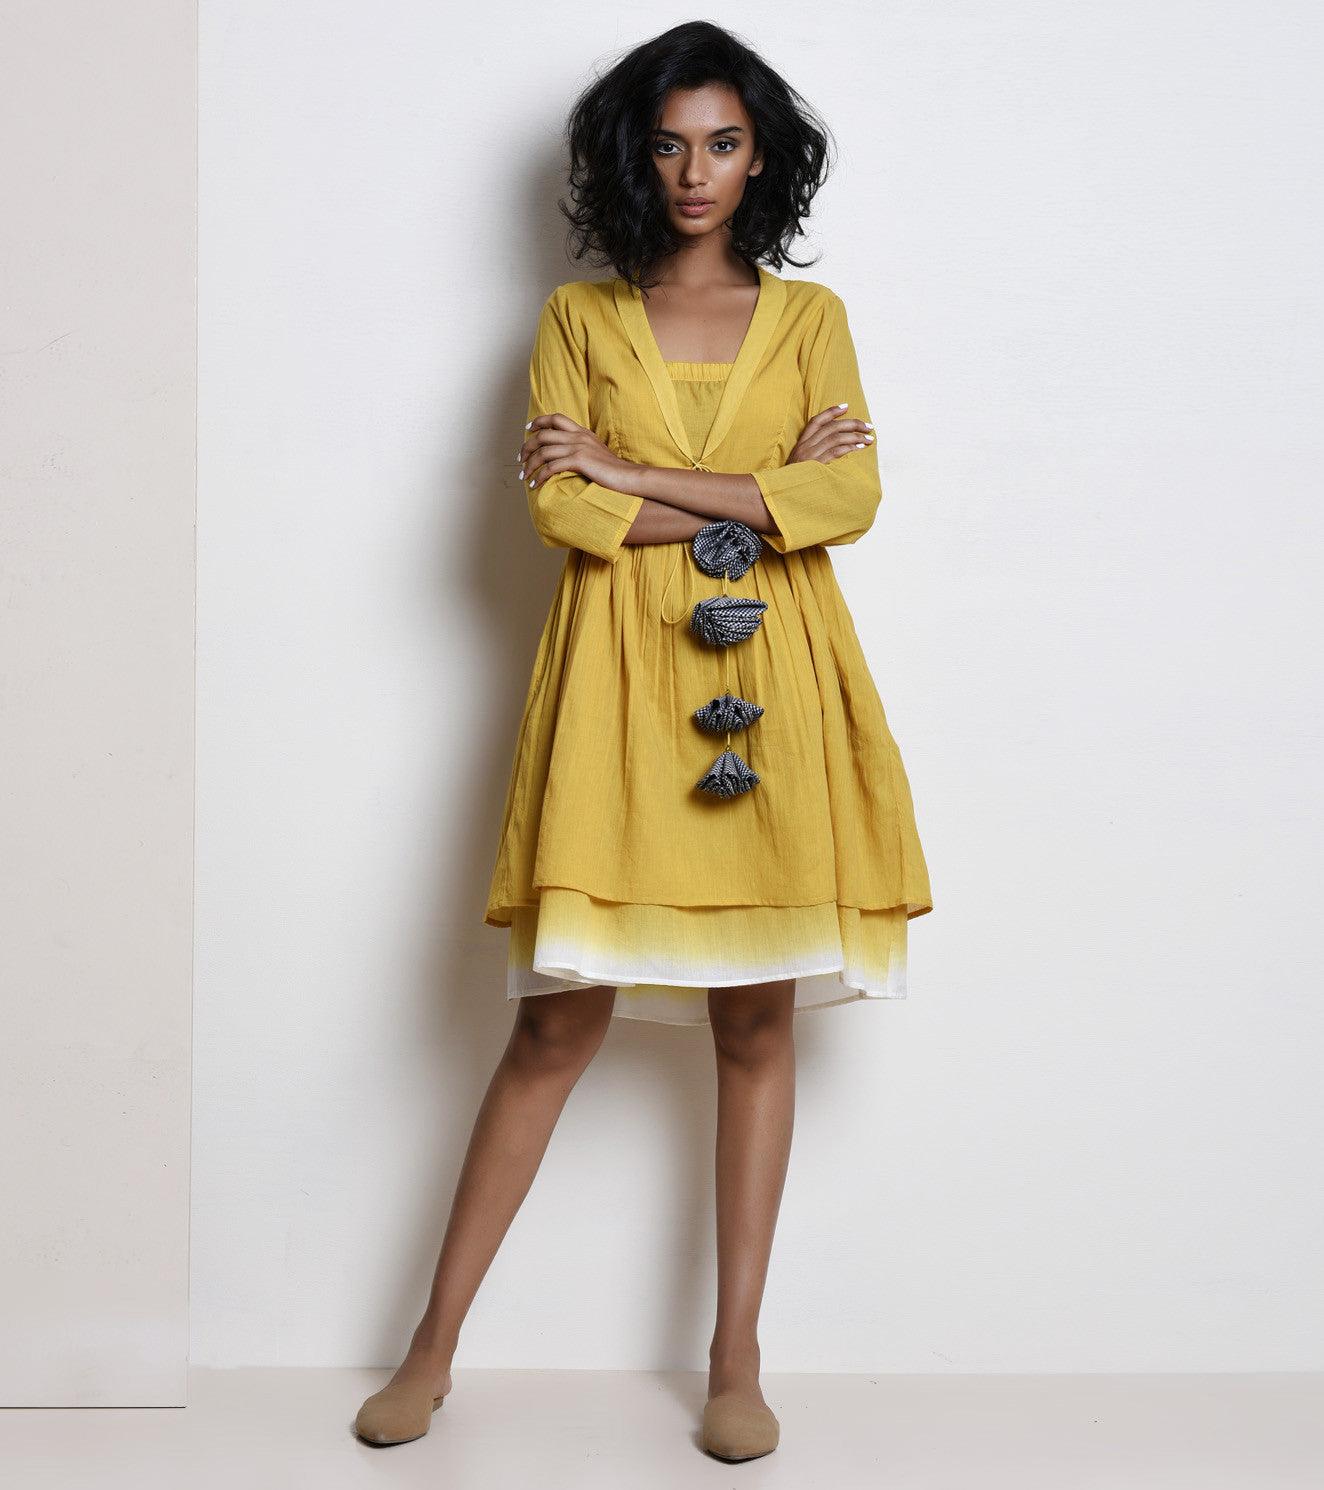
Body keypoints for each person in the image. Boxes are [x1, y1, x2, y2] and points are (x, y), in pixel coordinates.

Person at [355, 19, 932, 1462]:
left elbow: (848, 504)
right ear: (635, 156)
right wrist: (749, 493)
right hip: (615, 690)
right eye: (670, 144)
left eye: (724, 143)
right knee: (556, 1024)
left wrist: (628, 469)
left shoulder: (811, 318)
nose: (695, 171)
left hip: (778, 690)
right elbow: (567, 515)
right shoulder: (578, 319)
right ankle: (431, 1347)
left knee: (757, 1021)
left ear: (761, 159)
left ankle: (736, 1358)